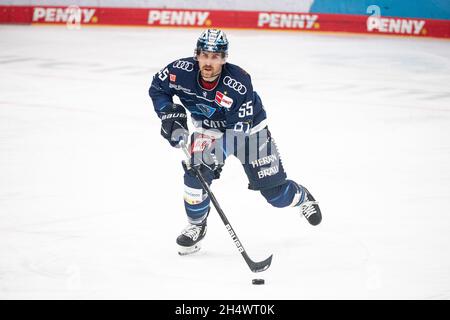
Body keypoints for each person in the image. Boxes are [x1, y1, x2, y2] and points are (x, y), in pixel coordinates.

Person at [149, 29, 322, 255]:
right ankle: (197, 225)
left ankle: (301, 197)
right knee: (194, 177)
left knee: (276, 195)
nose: (209, 62)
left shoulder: (238, 82)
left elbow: (238, 133)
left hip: (250, 131)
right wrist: (170, 114)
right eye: (204, 55)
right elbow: (157, 89)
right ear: (197, 55)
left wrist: (215, 155)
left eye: (215, 56)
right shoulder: (178, 71)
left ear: (224, 58)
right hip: (208, 129)